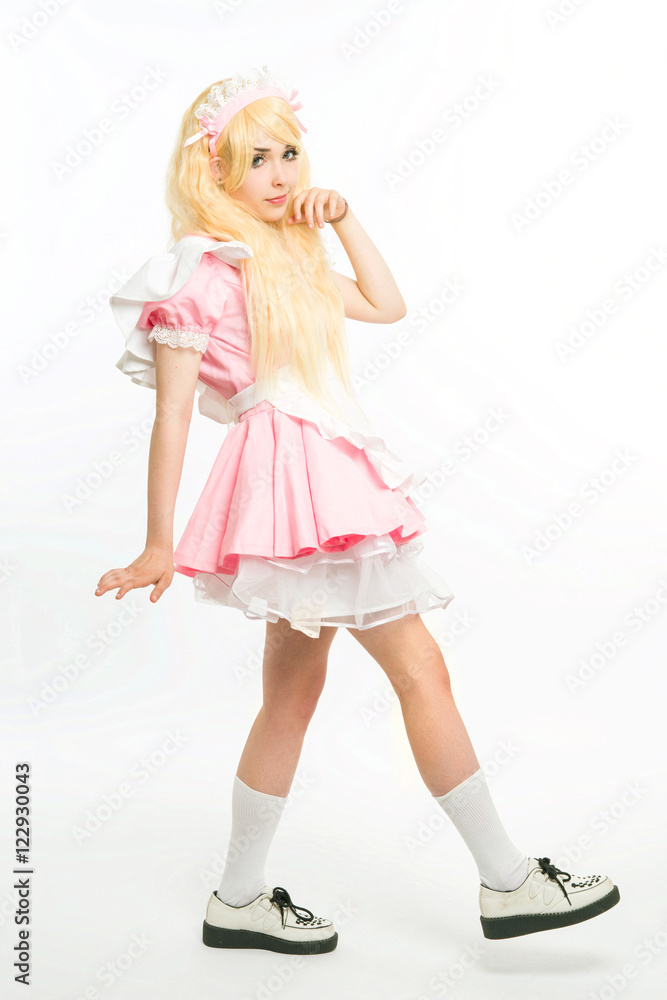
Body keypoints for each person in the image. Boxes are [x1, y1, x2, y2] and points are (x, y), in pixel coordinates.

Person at [95, 65, 620, 955]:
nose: (279, 174)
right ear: (215, 171)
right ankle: (506, 882)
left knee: (296, 696)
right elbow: (172, 416)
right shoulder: (201, 271)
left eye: (289, 154)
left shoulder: (289, 257)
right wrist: (156, 542)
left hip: (316, 478)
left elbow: (387, 304)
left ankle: (238, 899)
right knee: (416, 669)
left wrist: (343, 220)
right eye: (256, 158)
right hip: (296, 483)